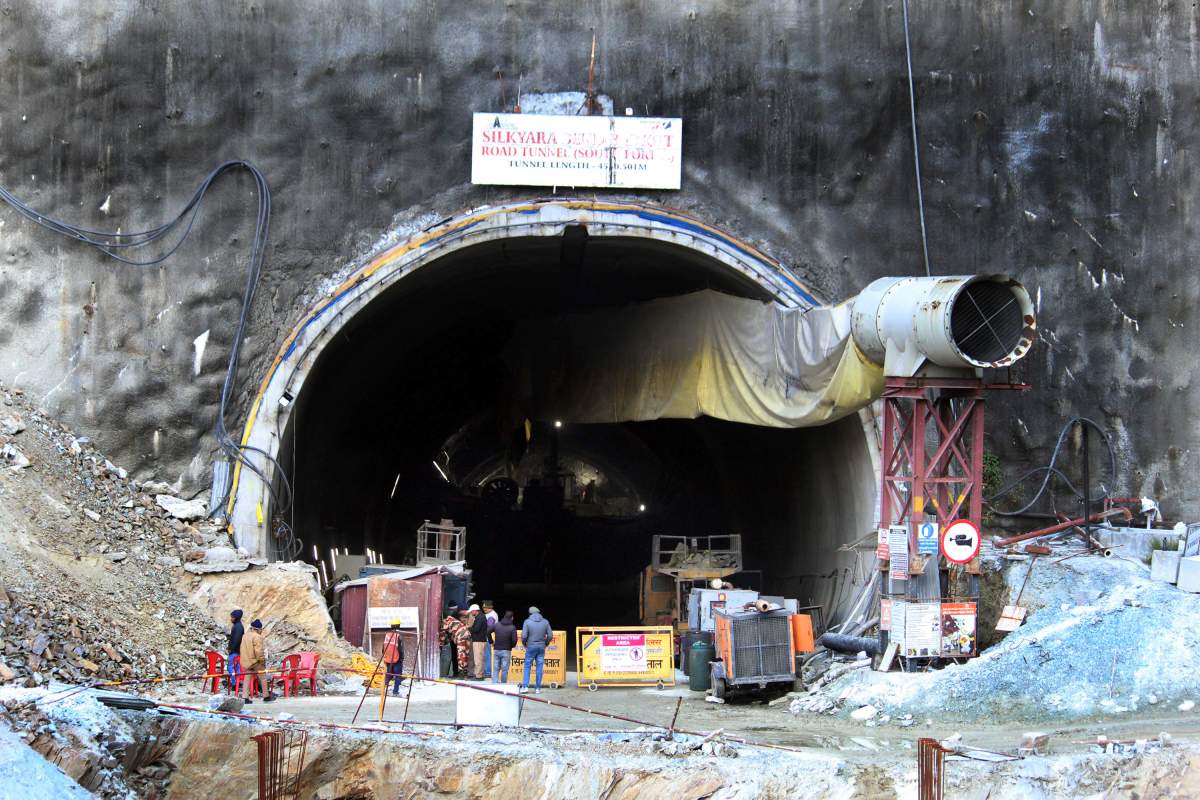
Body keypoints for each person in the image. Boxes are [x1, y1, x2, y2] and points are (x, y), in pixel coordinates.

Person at [520, 606, 553, 694]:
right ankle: (538, 688)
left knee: (527, 667)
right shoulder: (545, 622)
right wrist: (546, 643)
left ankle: (525, 687)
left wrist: (524, 643)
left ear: (530, 613)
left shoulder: (527, 622)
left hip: (531, 646)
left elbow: (524, 636)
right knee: (539, 667)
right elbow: (550, 635)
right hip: (541, 647)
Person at [240, 618, 273, 703]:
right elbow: (258, 651)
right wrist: (262, 660)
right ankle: (266, 696)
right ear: (258, 629)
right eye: (261, 629)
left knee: (247, 678)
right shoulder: (257, 637)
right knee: (263, 678)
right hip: (255, 662)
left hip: (246, 661)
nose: (261, 631)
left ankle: (245, 697)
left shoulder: (245, 636)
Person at [440, 606, 471, 677]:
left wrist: (441, 644)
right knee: (466, 654)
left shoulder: (446, 621)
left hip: (461, 636)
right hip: (467, 634)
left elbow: (443, 635)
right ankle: (465, 672)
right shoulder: (453, 619)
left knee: (461, 655)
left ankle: (461, 674)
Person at [491, 610, 517, 684]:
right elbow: (514, 640)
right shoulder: (512, 627)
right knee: (504, 669)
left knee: (496, 668)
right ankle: (503, 684)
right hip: (506, 650)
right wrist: (511, 646)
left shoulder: (497, 625)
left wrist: (491, 642)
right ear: (512, 618)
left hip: (496, 650)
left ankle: (494, 684)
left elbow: (488, 631)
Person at [382, 619, 406, 697]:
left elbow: (383, 648)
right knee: (398, 676)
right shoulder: (398, 636)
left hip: (388, 659)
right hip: (396, 659)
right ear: (398, 625)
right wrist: (402, 658)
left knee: (388, 675)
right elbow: (400, 649)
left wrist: (385, 656)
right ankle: (395, 692)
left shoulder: (387, 635)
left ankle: (384, 690)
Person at [467, 604, 488, 680]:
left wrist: (469, 628)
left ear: (475, 610)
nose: (471, 613)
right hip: (480, 640)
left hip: (478, 641)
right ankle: (480, 675)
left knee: (478, 659)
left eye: (471, 611)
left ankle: (478, 676)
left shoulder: (480, 618)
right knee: (480, 658)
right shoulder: (481, 617)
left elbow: (476, 629)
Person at [226, 609, 244, 693]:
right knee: (237, 668)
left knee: (230, 667)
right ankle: (237, 683)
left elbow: (236, 640)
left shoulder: (237, 627)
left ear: (236, 617)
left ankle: (234, 684)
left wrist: (231, 650)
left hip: (235, 651)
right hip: (238, 651)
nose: (231, 619)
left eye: (232, 617)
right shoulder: (239, 626)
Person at [482, 601, 498, 679]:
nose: (483, 609)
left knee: (487, 655)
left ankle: (488, 672)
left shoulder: (492, 616)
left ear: (490, 607)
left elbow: (489, 627)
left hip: (489, 638)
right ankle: (487, 671)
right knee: (487, 655)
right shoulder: (489, 614)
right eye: (483, 607)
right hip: (488, 637)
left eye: (485, 607)